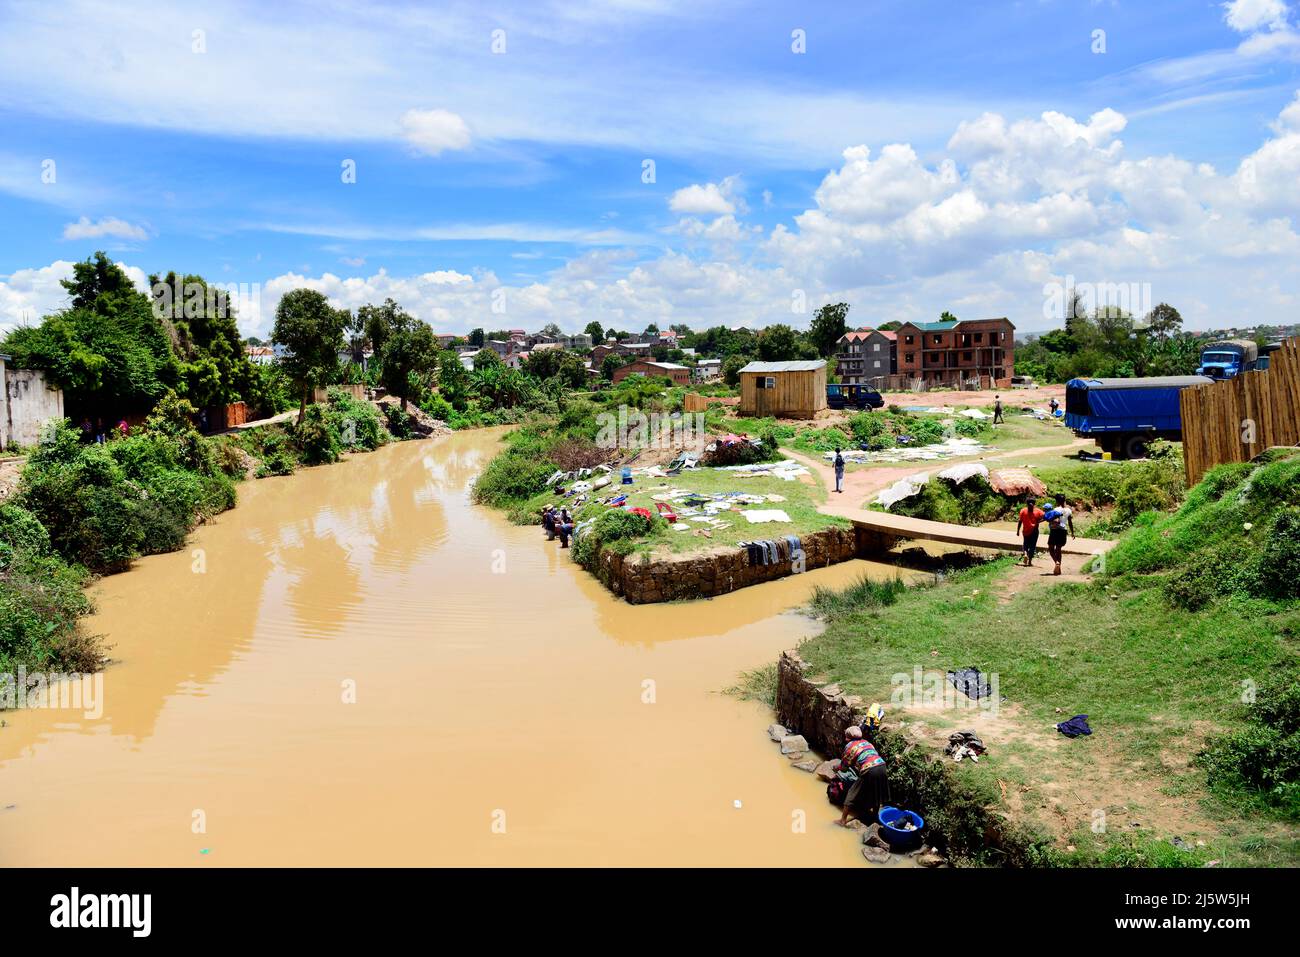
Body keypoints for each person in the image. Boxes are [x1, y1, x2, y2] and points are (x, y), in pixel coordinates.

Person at [836, 726, 890, 827]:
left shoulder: (850, 746)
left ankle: (842, 820)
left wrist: (837, 768)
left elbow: (844, 767)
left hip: (869, 769)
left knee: (852, 793)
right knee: (876, 792)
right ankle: (874, 816)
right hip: (882, 765)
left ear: (848, 737)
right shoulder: (867, 742)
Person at [1043, 493, 1075, 576]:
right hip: (1063, 531)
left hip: (1055, 530)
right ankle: (1058, 569)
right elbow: (1070, 522)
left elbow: (1055, 520)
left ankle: (1056, 562)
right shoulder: (1068, 510)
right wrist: (1072, 533)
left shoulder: (1056, 509)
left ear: (1057, 501)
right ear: (1064, 500)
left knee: (1050, 548)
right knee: (1058, 549)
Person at [1016, 497, 1045, 567]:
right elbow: (1046, 517)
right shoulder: (1038, 511)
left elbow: (1020, 521)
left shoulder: (1023, 511)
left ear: (1026, 503)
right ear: (1035, 503)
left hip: (1025, 531)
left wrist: (1017, 531)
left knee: (1025, 544)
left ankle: (1025, 554)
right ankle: (1030, 562)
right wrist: (1038, 521)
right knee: (1032, 546)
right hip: (1034, 531)